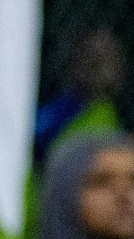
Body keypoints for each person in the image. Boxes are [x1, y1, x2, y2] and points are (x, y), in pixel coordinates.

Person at [34, 28, 126, 162]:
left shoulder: (108, 120)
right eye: (91, 57)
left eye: (103, 59)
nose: (97, 67)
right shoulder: (60, 107)